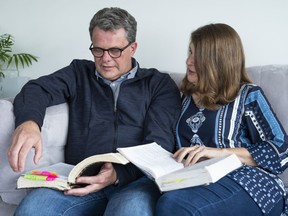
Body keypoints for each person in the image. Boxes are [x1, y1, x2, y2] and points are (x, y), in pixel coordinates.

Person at [8, 7, 181, 216]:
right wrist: (29, 122)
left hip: (135, 182)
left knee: (130, 212)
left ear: (133, 48)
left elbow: (159, 144)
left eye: (115, 50)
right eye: (98, 50)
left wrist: (118, 174)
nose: (105, 59)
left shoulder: (158, 84)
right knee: (32, 209)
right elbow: (36, 89)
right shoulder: (79, 73)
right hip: (82, 181)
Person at [155, 23, 288, 216]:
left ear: (218, 61)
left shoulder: (247, 95)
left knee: (175, 205)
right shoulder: (182, 98)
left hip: (246, 181)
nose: (188, 61)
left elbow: (281, 150)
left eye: (197, 56)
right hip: (194, 179)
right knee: (170, 201)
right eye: (189, 52)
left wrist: (218, 153)